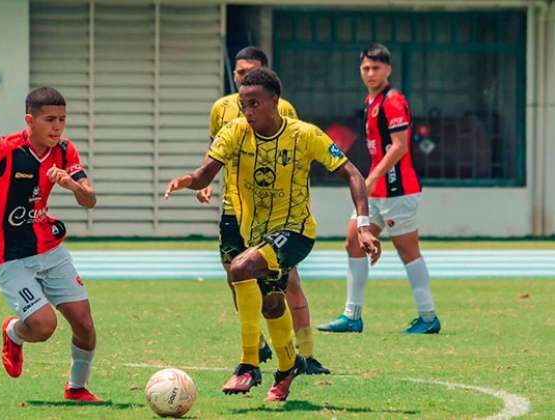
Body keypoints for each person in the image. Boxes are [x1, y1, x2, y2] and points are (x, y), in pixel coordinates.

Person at [165, 68, 380, 401]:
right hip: (256, 234)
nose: (248, 112)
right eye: (243, 104)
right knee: (271, 302)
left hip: (296, 232)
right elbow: (206, 172)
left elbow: (352, 173)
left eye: (255, 104)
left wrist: (363, 224)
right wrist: (188, 181)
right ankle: (286, 368)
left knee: (240, 268)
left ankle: (249, 364)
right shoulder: (235, 131)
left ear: (274, 102)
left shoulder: (305, 135)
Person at [0, 87, 103, 402]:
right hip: (9, 255)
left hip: (49, 248)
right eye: (49, 120)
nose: (57, 127)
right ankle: (14, 332)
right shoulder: (0, 149)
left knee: (84, 324)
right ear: (30, 120)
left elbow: (90, 199)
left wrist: (71, 184)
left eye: (62, 119)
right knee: (44, 327)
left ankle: (76, 389)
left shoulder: (65, 151)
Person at [201, 46, 328, 375]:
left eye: (252, 71)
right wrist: (203, 181)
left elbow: (296, 151)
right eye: (241, 72)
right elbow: (214, 150)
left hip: (278, 214)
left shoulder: (284, 110)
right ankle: (256, 344)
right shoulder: (222, 110)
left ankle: (306, 354)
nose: (245, 76)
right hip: (235, 208)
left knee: (288, 283)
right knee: (237, 276)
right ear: (234, 75)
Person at [317, 44, 441, 334]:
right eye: (365, 68)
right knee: (352, 240)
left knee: (407, 250)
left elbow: (399, 147)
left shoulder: (393, 101)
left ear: (388, 69)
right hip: (376, 191)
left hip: (398, 190)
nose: (370, 73)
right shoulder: (371, 101)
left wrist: (370, 179)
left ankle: (428, 317)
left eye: (376, 68)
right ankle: (352, 316)